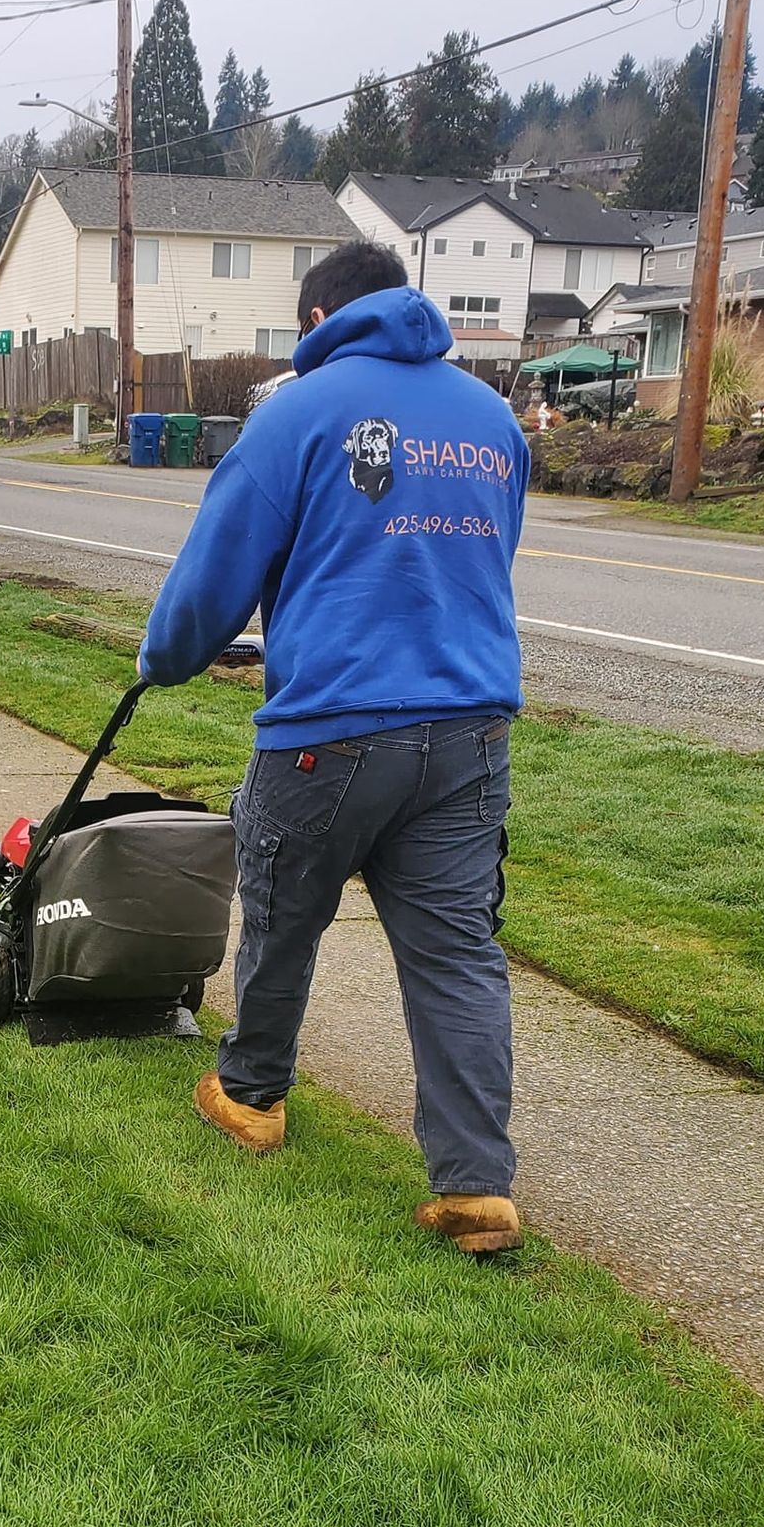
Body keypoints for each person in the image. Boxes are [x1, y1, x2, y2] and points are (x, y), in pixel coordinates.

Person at [137, 242, 530, 1256]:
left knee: (282, 909)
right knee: (456, 957)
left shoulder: (299, 415)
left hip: (333, 731)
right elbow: (452, 562)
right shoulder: (491, 421)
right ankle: (477, 1188)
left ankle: (252, 1094)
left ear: (317, 319)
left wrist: (166, 659)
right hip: (469, 733)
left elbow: (211, 581)